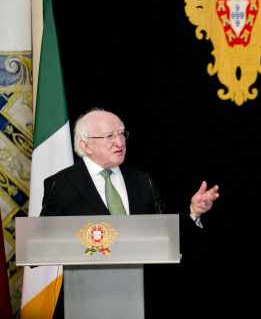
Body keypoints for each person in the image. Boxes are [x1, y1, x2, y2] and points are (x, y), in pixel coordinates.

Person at [40, 108, 219, 317]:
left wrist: (193, 212)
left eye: (122, 133)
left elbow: (162, 232)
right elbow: (46, 238)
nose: (120, 142)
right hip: (84, 298)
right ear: (84, 145)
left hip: (141, 297)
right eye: (109, 136)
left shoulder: (142, 180)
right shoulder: (61, 184)